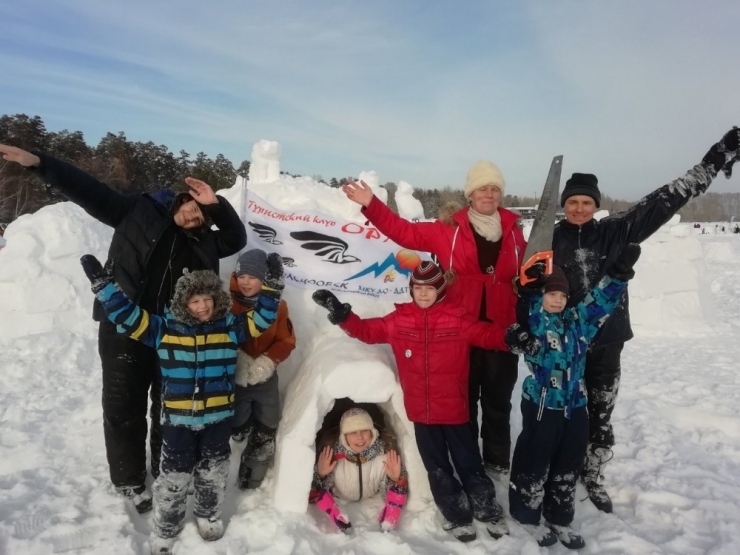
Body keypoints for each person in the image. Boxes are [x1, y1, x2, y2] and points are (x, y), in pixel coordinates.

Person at [0, 143, 247, 513]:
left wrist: (214, 204)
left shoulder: (207, 241)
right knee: (122, 405)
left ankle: (167, 471)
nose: (194, 217)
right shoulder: (137, 211)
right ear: (178, 202)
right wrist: (40, 163)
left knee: (170, 409)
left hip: (176, 335)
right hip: (124, 325)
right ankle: (129, 479)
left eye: (201, 214)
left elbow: (237, 237)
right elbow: (88, 190)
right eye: (191, 208)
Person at [550, 126, 740, 513]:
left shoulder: (617, 230)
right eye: (573, 202)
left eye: (586, 202)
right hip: (566, 343)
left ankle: (594, 472)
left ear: (595, 204)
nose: (580, 208)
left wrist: (715, 160)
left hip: (607, 340)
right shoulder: (549, 240)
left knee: (601, 412)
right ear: (564, 205)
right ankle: (562, 469)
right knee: (566, 410)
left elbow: (667, 198)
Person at [312, 261, 537, 543]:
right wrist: (343, 315)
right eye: (418, 289)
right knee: (437, 466)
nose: (423, 294)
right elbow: (367, 331)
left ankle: (488, 510)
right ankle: (456, 515)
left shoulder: (457, 318)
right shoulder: (399, 320)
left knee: (469, 461)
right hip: (421, 412)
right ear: (412, 290)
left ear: (440, 290)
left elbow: (487, 334)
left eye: (429, 289)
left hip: (454, 409)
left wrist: (510, 337)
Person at [79, 253, 284, 555]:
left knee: (213, 470)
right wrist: (104, 287)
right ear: (183, 305)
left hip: (218, 417)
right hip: (178, 420)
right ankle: (166, 527)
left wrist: (272, 288)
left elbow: (264, 318)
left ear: (216, 299)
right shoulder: (163, 329)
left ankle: (207, 513)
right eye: (194, 301)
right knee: (174, 476)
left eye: (207, 299)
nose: (202, 306)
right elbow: (127, 316)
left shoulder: (230, 327)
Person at [343, 162, 526, 477]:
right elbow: (406, 232)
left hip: (499, 328)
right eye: (483, 188)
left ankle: (496, 462)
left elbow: (529, 272)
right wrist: (371, 206)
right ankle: (466, 460)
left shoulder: (514, 232)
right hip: (458, 329)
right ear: (471, 193)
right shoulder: (448, 230)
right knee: (462, 402)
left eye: (495, 188)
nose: (489, 194)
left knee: (498, 400)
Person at [507, 246, 640, 549]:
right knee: (535, 460)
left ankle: (560, 517)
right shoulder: (537, 322)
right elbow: (524, 311)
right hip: (543, 404)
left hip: (575, 406)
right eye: (550, 294)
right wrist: (528, 289)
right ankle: (527, 514)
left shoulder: (579, 322)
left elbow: (601, 302)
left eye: (561, 295)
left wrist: (619, 275)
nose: (556, 299)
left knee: (569, 462)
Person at [229, 248, 296, 490]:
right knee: (237, 417)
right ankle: (239, 433)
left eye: (253, 277)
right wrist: (237, 359)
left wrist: (269, 361)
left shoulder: (279, 306)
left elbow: (286, 340)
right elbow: (219, 336)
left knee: (268, 420)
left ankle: (252, 474)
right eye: (242, 276)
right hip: (236, 377)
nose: (246, 282)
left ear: (265, 280)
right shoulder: (226, 303)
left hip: (265, 376)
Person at [309, 408, 408, 533]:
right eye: (352, 432)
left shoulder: (383, 454)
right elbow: (314, 490)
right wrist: (321, 474)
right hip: (341, 499)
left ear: (372, 432)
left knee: (399, 490)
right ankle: (336, 515)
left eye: (364, 431)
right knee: (320, 494)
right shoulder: (332, 456)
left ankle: (388, 521)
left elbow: (386, 492)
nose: (360, 437)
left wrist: (395, 479)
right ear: (344, 437)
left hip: (372, 501)